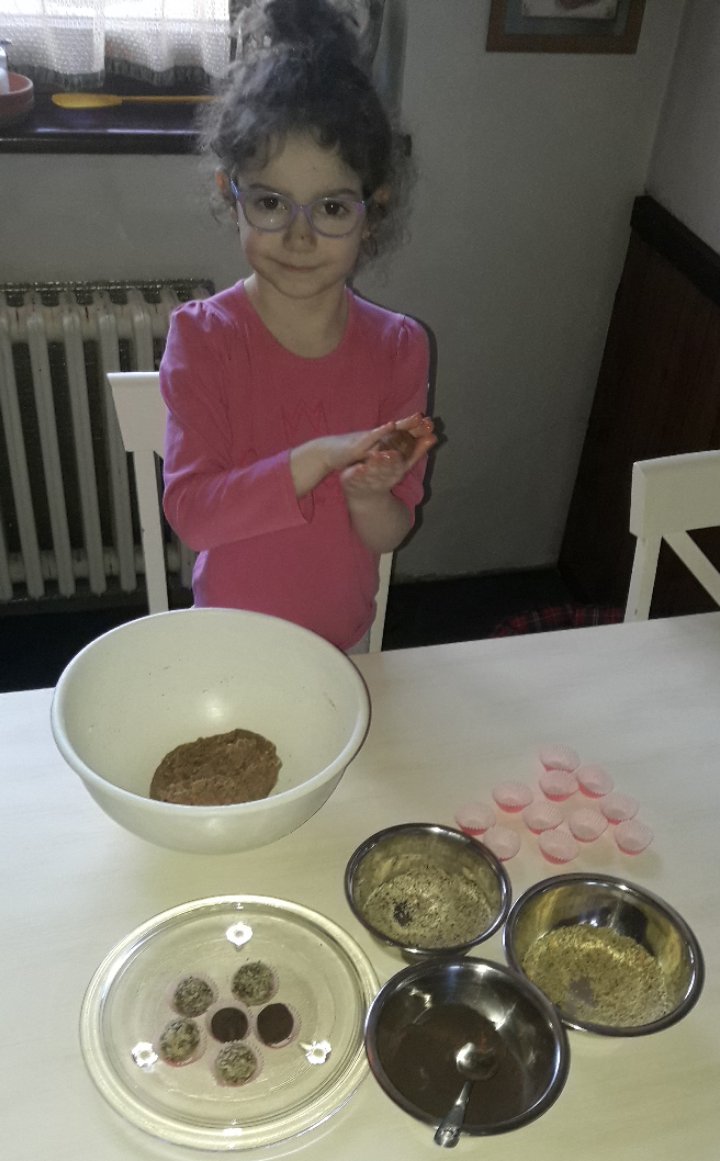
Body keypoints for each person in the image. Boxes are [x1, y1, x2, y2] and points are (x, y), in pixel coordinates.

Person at [160, 0, 437, 652]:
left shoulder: (400, 347)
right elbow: (194, 517)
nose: (299, 236)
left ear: (373, 211)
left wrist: (368, 494)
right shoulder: (203, 340)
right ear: (231, 195)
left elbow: (390, 530)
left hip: (344, 648)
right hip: (229, 644)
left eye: (332, 208)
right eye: (270, 203)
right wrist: (315, 459)